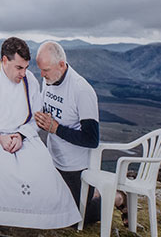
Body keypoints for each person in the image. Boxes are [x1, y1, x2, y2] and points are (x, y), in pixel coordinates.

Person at [0, 37, 80, 229]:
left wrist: (21, 135)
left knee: (41, 163)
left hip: (21, 137)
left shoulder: (30, 81)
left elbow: (35, 119)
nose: (24, 73)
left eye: (26, 67)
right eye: (19, 68)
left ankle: (41, 218)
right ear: (5, 60)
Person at [34, 41, 125, 226]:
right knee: (45, 209)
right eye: (41, 70)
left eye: (46, 70)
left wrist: (56, 129)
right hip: (52, 160)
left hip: (75, 168)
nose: (42, 75)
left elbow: (92, 139)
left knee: (75, 220)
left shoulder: (82, 90)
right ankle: (95, 193)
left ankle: (117, 197)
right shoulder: (49, 79)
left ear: (61, 65)